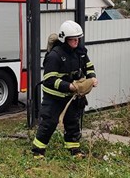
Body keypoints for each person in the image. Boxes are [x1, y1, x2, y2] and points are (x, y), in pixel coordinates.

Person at [32, 20, 98, 159]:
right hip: (54, 98)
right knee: (49, 123)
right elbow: (49, 79)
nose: (76, 42)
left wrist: (92, 77)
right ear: (64, 39)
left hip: (72, 96)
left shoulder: (80, 52)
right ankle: (38, 151)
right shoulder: (55, 56)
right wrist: (68, 86)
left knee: (72, 122)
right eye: (72, 39)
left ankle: (74, 150)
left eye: (77, 39)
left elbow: (89, 66)